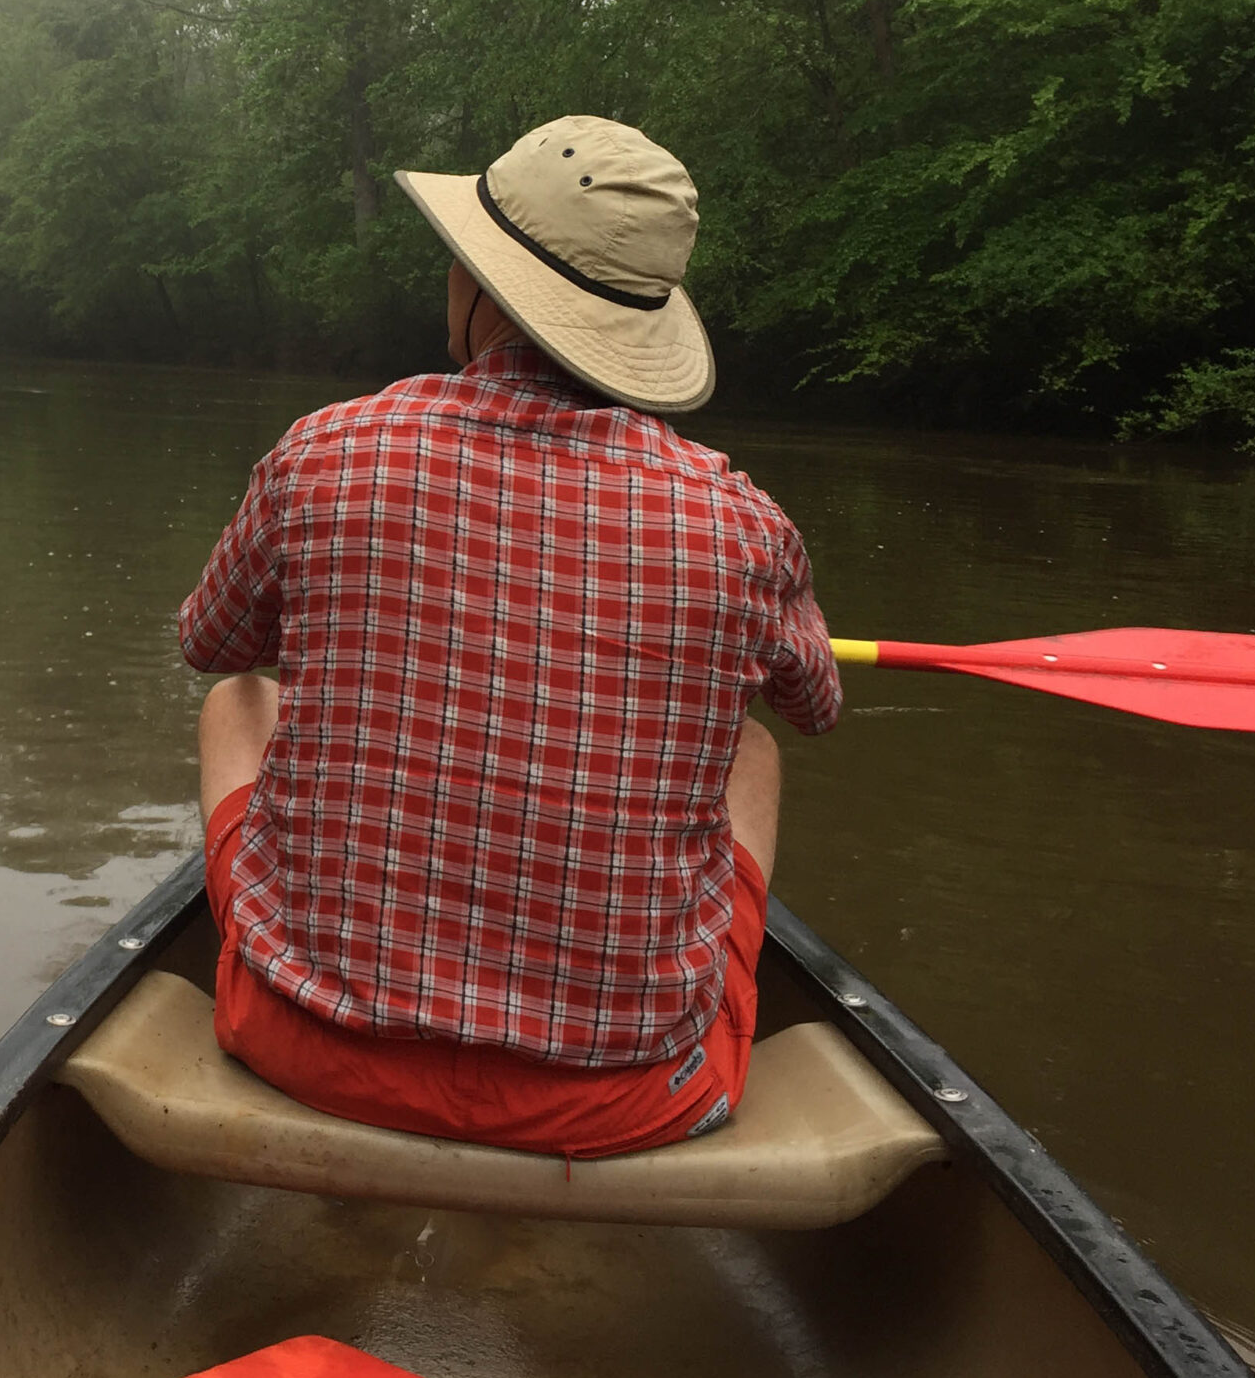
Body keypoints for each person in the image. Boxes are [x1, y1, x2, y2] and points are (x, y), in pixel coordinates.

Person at [179, 115, 841, 1160]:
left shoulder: (325, 453)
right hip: (630, 1102)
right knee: (747, 745)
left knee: (240, 702)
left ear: (479, 291)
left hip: (305, 1048)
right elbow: (814, 706)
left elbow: (212, 647)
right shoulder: (739, 523)